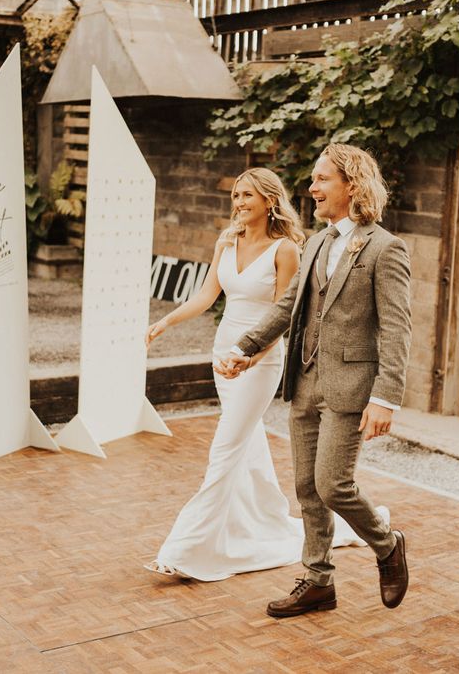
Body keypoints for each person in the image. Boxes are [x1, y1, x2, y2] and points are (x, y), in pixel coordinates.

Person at [143, 167, 374, 581]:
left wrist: (252, 354)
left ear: (269, 201)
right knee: (246, 446)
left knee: (225, 449)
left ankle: (185, 548)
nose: (239, 202)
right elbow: (205, 295)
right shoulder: (226, 241)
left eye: (247, 195)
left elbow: (285, 315)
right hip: (222, 353)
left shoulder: (286, 249)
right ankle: (265, 523)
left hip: (260, 361)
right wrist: (166, 322)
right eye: (235, 195)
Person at [218, 144, 412, 617]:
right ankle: (318, 580)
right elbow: (288, 307)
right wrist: (246, 347)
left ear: (352, 185)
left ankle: (387, 545)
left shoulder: (385, 248)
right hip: (305, 382)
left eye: (322, 179)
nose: (312, 188)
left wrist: (386, 397)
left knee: (332, 484)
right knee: (306, 485)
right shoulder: (318, 243)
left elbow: (396, 326)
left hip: (350, 388)